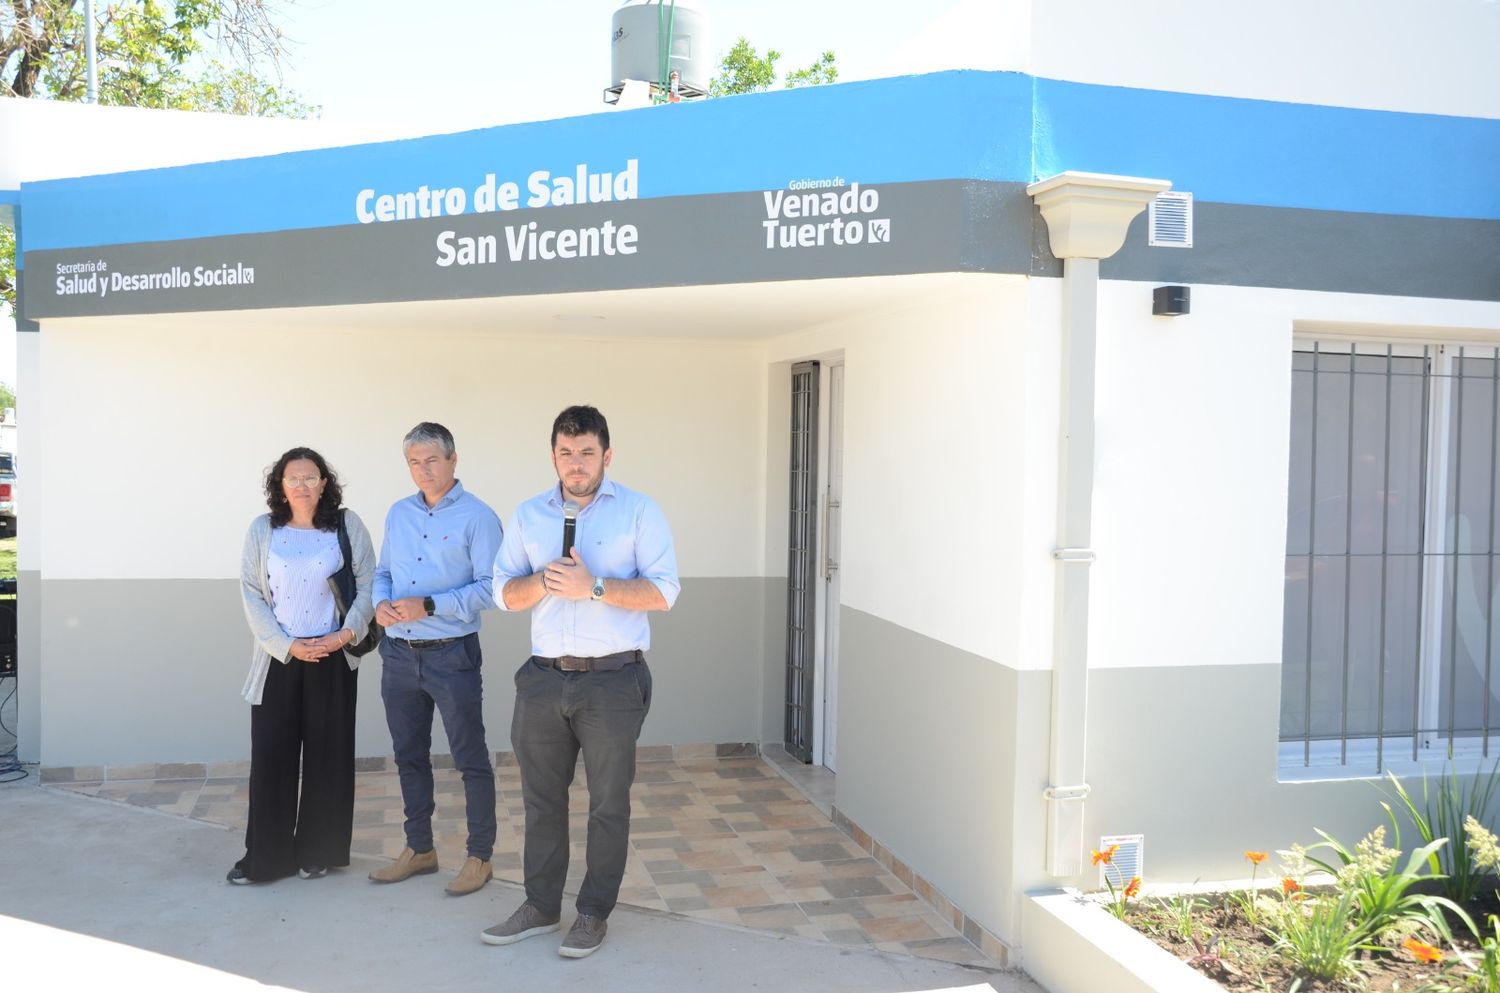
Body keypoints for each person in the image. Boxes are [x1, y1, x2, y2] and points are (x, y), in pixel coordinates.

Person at [483, 405, 679, 958]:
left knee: (607, 804)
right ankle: (541, 906)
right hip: (544, 681)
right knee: (541, 801)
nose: (576, 464)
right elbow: (502, 593)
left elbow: (664, 592)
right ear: (553, 456)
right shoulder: (527, 514)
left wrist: (594, 587)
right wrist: (544, 582)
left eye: (587, 452)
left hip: (612, 682)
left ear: (606, 455)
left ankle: (593, 913)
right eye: (566, 453)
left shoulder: (640, 512)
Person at [369, 422, 503, 897]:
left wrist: (430, 605)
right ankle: (420, 849)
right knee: (409, 755)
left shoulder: (478, 517)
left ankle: (479, 857)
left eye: (431, 460)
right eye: (413, 462)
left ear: (452, 460)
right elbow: (383, 572)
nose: (422, 470)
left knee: (470, 758)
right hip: (398, 654)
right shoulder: (397, 514)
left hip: (452, 656)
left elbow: (492, 588)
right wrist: (379, 603)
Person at [231, 447, 374, 884]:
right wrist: (288, 645)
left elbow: (369, 582)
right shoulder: (263, 530)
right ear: (280, 485)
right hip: (280, 659)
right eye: (293, 479)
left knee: (328, 758)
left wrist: (345, 634)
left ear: (324, 483)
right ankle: (267, 858)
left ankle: (319, 851)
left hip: (332, 656)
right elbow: (252, 594)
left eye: (311, 478)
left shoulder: (347, 525)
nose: (302, 486)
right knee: (272, 757)